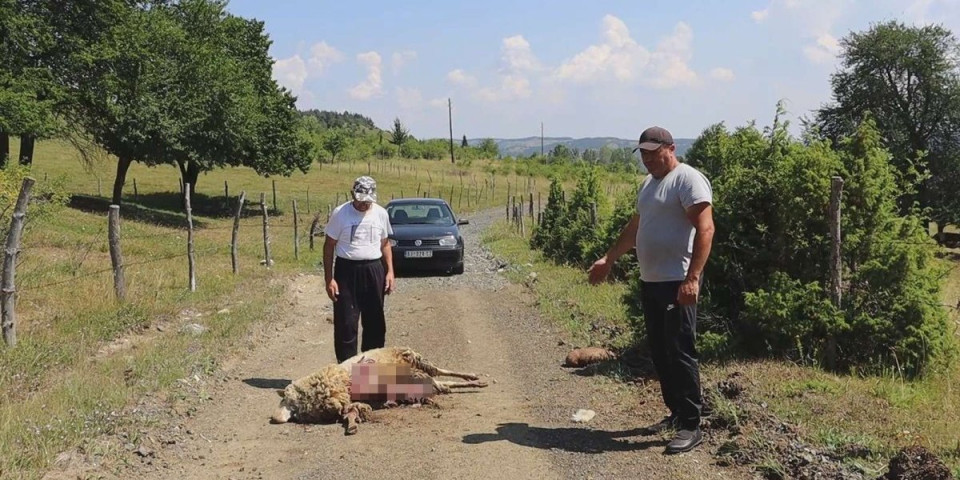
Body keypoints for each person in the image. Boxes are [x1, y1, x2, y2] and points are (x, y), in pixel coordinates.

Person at [588, 126, 715, 455]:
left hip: (677, 282)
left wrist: (692, 278)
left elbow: (706, 227)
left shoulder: (688, 180)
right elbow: (635, 228)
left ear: (670, 148)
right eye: (642, 153)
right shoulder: (648, 186)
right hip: (652, 282)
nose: (646, 159)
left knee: (679, 350)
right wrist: (609, 258)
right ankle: (675, 413)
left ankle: (691, 423)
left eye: (652, 152)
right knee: (660, 350)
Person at [323, 176, 396, 363]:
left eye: (368, 202)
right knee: (346, 324)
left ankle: (370, 373)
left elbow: (385, 244)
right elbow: (329, 245)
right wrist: (329, 279)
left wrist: (390, 272)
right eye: (360, 200)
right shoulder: (341, 214)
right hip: (347, 270)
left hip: (374, 269)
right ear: (352, 195)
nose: (364, 205)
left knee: (375, 323)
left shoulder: (381, 214)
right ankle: (347, 371)